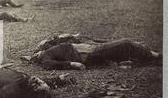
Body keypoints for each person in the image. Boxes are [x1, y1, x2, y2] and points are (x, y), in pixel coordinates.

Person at [22, 34, 162, 70]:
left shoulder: (46, 49)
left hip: (85, 47)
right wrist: (72, 64)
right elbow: (50, 65)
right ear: (34, 60)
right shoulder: (45, 58)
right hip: (86, 53)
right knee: (125, 43)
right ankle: (156, 56)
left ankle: (147, 55)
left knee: (121, 47)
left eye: (34, 53)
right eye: (33, 57)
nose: (35, 54)